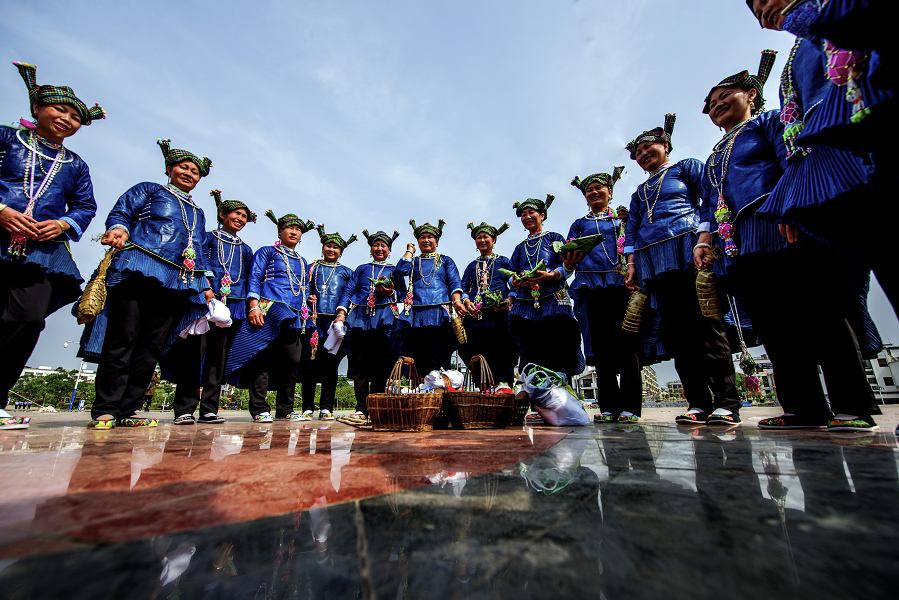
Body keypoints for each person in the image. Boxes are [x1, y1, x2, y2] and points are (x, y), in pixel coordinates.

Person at [741, 2, 884, 431]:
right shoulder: (796, 58)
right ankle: (804, 407)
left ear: (749, 95)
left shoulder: (844, 13)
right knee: (780, 328)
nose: (762, 8)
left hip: (850, 159)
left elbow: (785, 154)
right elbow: (795, 139)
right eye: (753, 6)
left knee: (825, 308)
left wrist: (791, 202)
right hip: (783, 214)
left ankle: (852, 405)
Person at [1, 61, 104, 430]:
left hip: (43, 250)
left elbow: (85, 206)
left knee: (29, 317)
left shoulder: (75, 164)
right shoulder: (5, 138)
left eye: (75, 116)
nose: (66, 118)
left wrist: (61, 223)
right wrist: (1, 211)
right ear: (36, 108)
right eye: (60, 109)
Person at [85, 139, 214, 430]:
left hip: (177, 282)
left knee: (152, 347)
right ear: (169, 168)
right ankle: (106, 407)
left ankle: (129, 408)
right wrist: (117, 229)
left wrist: (205, 283)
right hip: (139, 271)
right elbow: (122, 213)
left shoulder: (199, 212)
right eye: (184, 167)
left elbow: (201, 248)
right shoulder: (149, 189)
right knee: (124, 337)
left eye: (195, 171)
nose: (189, 173)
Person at [623, 114, 741, 427]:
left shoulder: (686, 167)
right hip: (654, 263)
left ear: (665, 146)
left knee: (707, 325)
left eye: (650, 148)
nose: (645, 155)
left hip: (689, 251)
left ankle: (728, 402)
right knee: (677, 334)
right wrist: (632, 264)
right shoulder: (638, 194)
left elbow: (711, 196)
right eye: (639, 153)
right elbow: (632, 231)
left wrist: (705, 235)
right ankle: (698, 402)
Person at [171, 190, 256, 425]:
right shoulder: (208, 238)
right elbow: (198, 260)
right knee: (194, 355)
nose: (239, 219)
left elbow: (248, 277)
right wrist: (206, 287)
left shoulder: (246, 249)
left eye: (243, 216)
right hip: (205, 302)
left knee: (218, 359)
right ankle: (184, 408)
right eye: (236, 214)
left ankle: (209, 409)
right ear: (223, 214)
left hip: (232, 307)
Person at [565, 167, 642, 423]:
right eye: (589, 190)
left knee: (627, 346)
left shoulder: (621, 219)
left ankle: (631, 407)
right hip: (591, 289)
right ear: (585, 197)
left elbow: (633, 245)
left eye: (599, 188)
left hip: (621, 285)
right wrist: (569, 254)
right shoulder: (579, 224)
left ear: (610, 192)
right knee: (601, 348)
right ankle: (608, 406)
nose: (595, 192)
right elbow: (568, 253)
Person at [224, 211, 315, 423]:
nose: (294, 232)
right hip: (269, 310)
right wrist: (253, 305)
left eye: (298, 229)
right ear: (280, 231)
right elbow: (254, 277)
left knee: (292, 362)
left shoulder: (302, 261)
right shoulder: (267, 252)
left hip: (294, 316)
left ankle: (285, 409)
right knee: (262, 360)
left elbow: (303, 288)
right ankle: (259, 409)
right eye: (289, 228)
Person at [507, 195, 582, 380]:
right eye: (523, 214)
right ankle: (536, 402)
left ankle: (563, 400)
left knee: (559, 345)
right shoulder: (519, 248)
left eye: (531, 212)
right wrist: (515, 281)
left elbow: (566, 266)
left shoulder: (555, 238)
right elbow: (510, 276)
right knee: (530, 348)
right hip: (525, 304)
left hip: (553, 300)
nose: (527, 217)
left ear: (542, 215)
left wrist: (551, 275)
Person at [334, 230, 406, 421]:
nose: (379, 248)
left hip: (386, 320)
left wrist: (390, 292)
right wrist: (341, 313)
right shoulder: (361, 269)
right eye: (376, 245)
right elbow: (349, 290)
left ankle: (376, 406)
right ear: (371, 248)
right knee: (360, 364)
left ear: (389, 250)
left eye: (383, 246)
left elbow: (404, 292)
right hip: (360, 319)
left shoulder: (395, 270)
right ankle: (360, 407)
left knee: (382, 365)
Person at [394, 220, 465, 376]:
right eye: (422, 237)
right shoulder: (414, 261)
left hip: (440, 312)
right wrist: (409, 252)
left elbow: (454, 283)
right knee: (418, 354)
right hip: (416, 314)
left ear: (437, 241)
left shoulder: (446, 260)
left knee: (440, 353)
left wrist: (458, 302)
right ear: (418, 241)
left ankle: (441, 392)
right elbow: (400, 271)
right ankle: (422, 394)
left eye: (430, 237)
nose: (426, 240)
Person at [300, 226, 355, 421]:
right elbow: (302, 286)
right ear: (323, 247)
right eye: (328, 246)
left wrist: (341, 314)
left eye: (335, 247)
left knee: (331, 366)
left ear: (341, 251)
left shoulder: (348, 272)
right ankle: (307, 407)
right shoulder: (312, 268)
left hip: (335, 323)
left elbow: (349, 295)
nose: (331, 249)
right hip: (314, 321)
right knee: (310, 364)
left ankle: (326, 407)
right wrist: (308, 297)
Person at [459, 221, 516, 385]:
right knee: (476, 353)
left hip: (500, 316)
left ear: (494, 240)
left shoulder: (504, 261)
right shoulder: (472, 266)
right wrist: (466, 300)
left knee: (503, 353)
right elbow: (463, 287)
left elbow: (514, 282)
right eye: (479, 237)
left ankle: (504, 392)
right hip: (476, 317)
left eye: (486, 237)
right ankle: (482, 395)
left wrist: (509, 299)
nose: (482, 240)